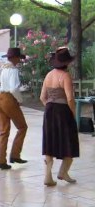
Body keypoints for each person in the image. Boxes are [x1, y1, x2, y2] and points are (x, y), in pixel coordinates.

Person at [40, 47, 79, 186]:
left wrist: (50, 108)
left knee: (50, 141)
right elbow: (70, 99)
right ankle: (63, 172)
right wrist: (73, 114)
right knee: (69, 140)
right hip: (63, 111)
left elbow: (42, 97)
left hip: (49, 110)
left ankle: (48, 176)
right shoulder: (65, 76)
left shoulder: (49, 75)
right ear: (67, 63)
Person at [0, 48, 28, 170]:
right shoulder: (13, 70)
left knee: (3, 132)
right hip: (9, 99)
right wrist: (20, 100)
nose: (20, 61)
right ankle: (15, 155)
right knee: (22, 127)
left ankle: (1, 161)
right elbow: (14, 89)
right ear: (15, 58)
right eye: (19, 59)